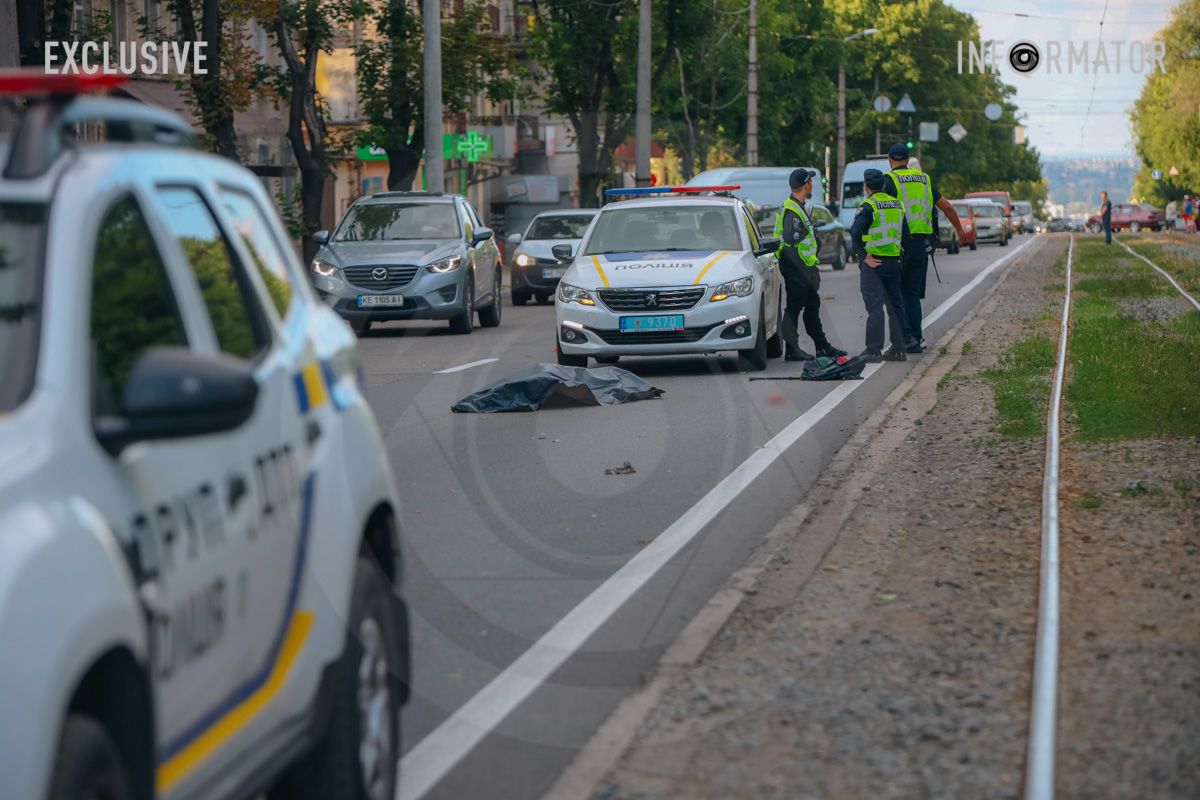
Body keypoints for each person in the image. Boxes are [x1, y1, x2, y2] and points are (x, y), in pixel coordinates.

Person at [883, 143, 965, 352]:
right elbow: (946, 206)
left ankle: (904, 339)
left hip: (898, 244)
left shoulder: (889, 180)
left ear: (890, 159)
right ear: (908, 159)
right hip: (921, 244)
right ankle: (917, 339)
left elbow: (881, 212)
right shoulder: (924, 179)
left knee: (896, 293)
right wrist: (960, 231)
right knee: (911, 292)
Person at [774, 168, 846, 361]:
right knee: (793, 309)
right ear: (806, 185)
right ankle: (792, 349)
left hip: (804, 267)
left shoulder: (798, 206)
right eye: (811, 182)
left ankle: (822, 347)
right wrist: (803, 269)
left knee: (812, 307)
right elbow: (790, 238)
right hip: (797, 268)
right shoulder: (792, 210)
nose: (812, 185)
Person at [850, 169, 911, 362]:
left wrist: (863, 257)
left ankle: (874, 350)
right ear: (883, 185)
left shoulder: (868, 206)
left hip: (874, 264)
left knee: (875, 306)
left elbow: (855, 233)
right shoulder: (897, 204)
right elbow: (906, 236)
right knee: (895, 305)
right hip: (893, 262)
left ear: (866, 186)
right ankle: (899, 348)